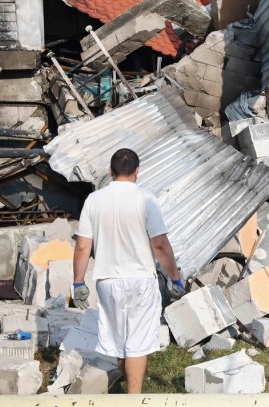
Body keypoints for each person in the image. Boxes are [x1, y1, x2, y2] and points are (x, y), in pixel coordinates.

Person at [72, 148, 184, 394]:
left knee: (118, 342)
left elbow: (82, 246)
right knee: (136, 344)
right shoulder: (146, 199)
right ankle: (134, 398)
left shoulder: (94, 200)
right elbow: (160, 244)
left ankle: (129, 392)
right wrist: (175, 278)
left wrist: (78, 282)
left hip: (107, 280)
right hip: (140, 280)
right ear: (137, 172)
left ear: (110, 171)